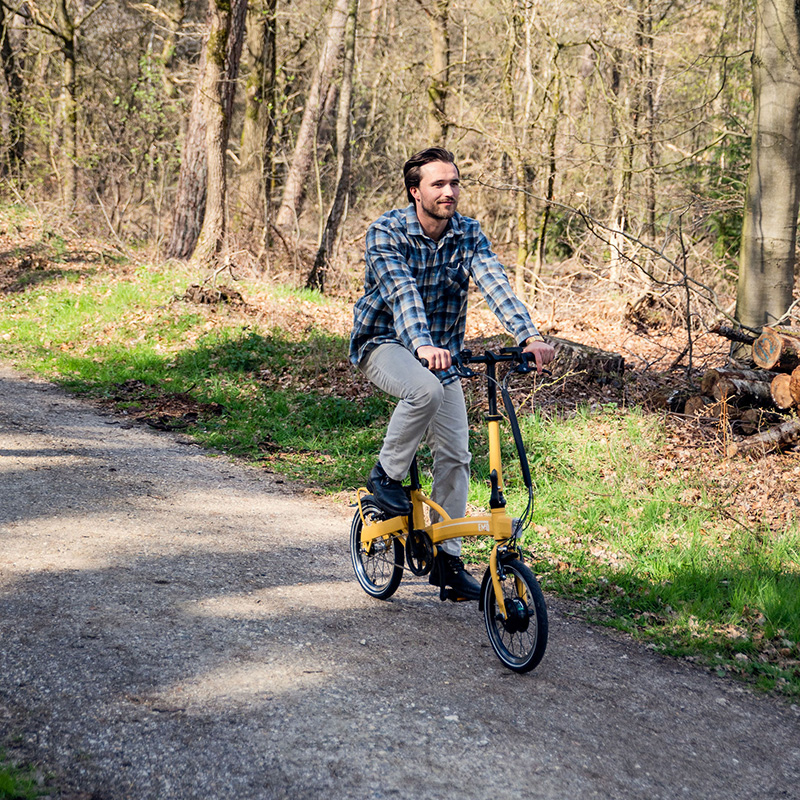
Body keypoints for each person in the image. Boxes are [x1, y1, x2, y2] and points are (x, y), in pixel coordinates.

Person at [350, 147, 555, 601]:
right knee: (423, 389)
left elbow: (494, 282)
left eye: (454, 183)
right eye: (438, 184)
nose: (449, 192)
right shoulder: (387, 232)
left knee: (457, 456)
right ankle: (385, 477)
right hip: (384, 342)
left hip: (439, 353)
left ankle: (448, 560)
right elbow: (402, 293)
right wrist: (421, 343)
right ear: (415, 190)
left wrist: (528, 335)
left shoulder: (467, 233)